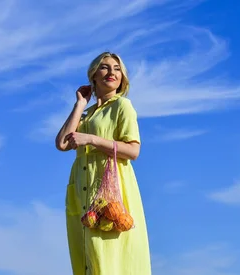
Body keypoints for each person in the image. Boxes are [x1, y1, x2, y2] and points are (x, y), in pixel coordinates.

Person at [55, 52, 152, 275]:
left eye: (117, 69)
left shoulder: (122, 106)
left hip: (110, 192)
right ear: (94, 75)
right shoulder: (87, 114)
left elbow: (133, 151)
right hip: (81, 192)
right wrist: (80, 104)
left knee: (108, 257)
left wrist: (92, 139)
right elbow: (62, 143)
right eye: (105, 67)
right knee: (85, 259)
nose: (112, 72)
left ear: (122, 78)